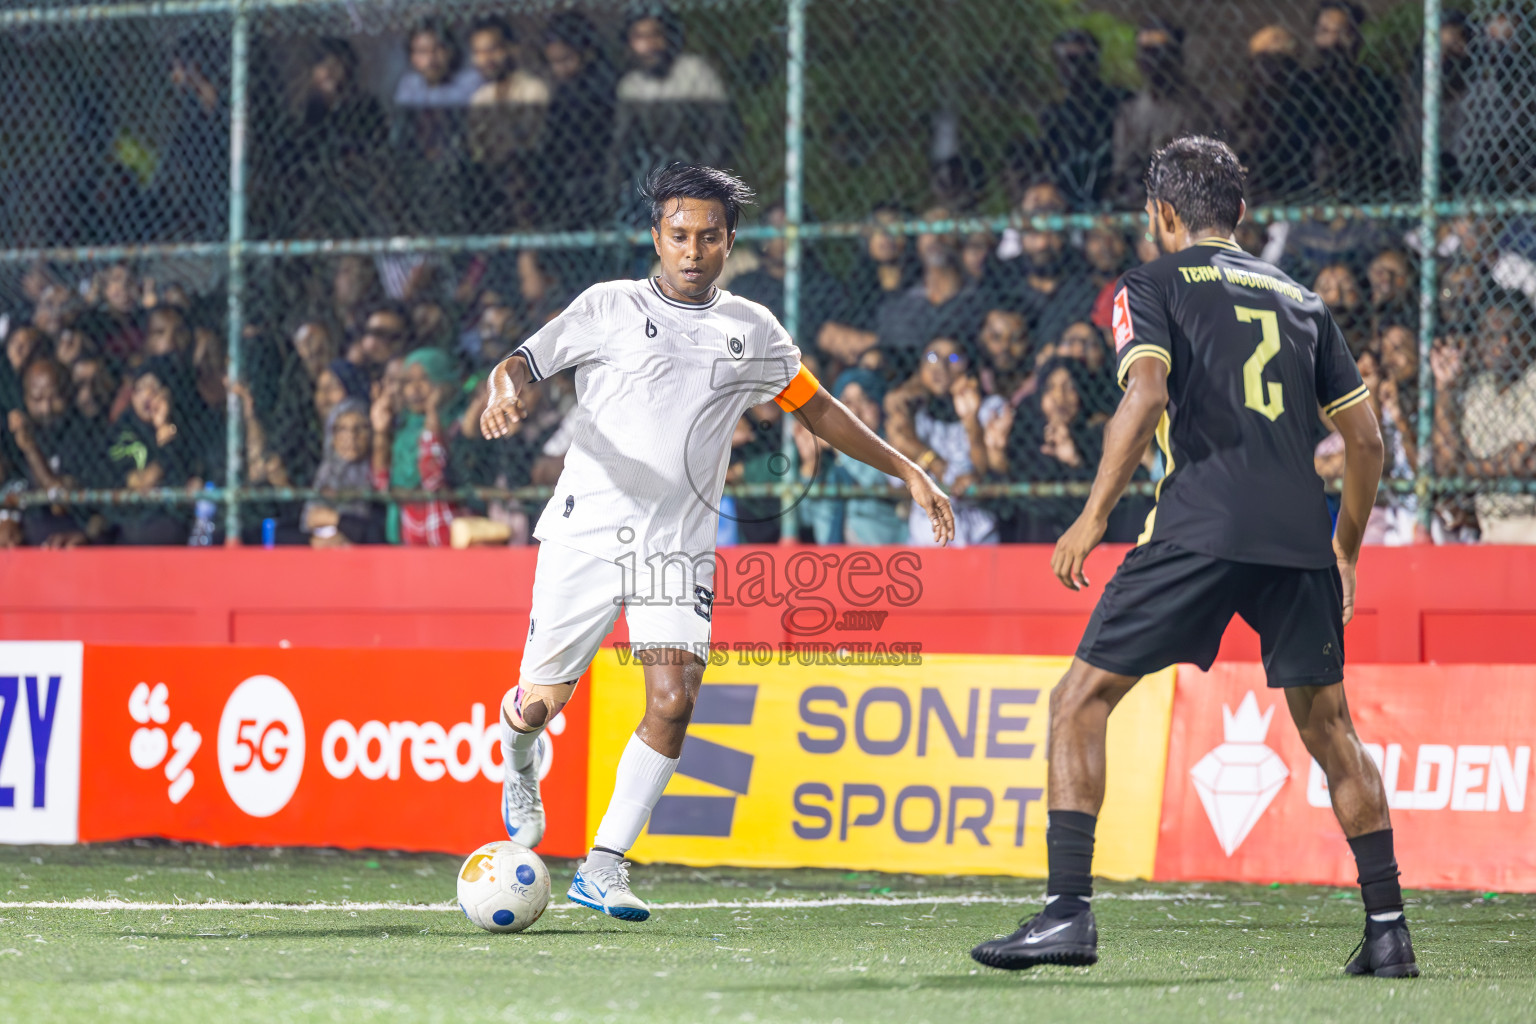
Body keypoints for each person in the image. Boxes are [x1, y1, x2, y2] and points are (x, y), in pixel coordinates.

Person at [969, 137, 1413, 979]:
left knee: (1078, 701)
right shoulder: (1304, 301)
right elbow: (1365, 439)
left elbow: (1144, 394)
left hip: (1200, 525)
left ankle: (1067, 914)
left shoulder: (1149, 283)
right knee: (1332, 729)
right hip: (1297, 542)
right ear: (1241, 215)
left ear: (1163, 215)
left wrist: (1093, 515)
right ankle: (1388, 928)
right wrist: (1343, 549)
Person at [478, 164, 953, 921]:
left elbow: (820, 410)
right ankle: (518, 755)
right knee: (538, 704)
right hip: (586, 531)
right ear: (656, 238)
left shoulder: (752, 330)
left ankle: (604, 865)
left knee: (674, 699)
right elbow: (523, 364)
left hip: (677, 548)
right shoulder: (608, 306)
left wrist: (908, 469)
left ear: (729, 243)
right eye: (677, 236)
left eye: (707, 237)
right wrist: (503, 388)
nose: (691, 251)